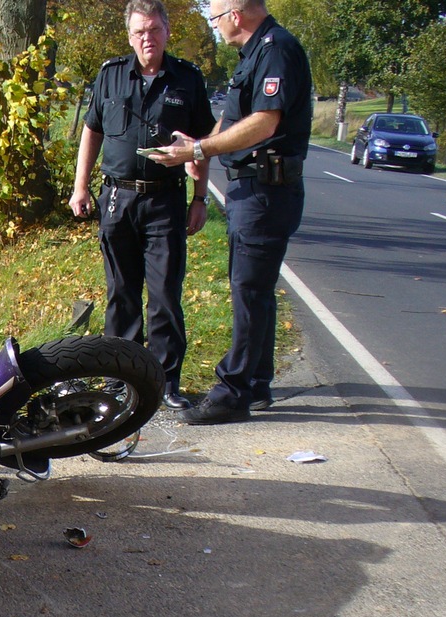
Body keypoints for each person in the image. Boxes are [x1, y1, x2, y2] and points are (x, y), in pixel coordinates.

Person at [153, 0, 311, 424]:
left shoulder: (276, 50)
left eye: (215, 17)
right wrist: (198, 141)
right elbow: (235, 119)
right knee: (255, 290)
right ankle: (257, 381)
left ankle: (232, 392)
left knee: (249, 291)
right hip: (253, 190)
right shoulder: (255, 54)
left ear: (234, 16)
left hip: (266, 190)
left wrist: (201, 149)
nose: (216, 26)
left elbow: (264, 123)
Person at [70, 0, 215, 411]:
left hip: (165, 200)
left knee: (166, 294)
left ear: (166, 31)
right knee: (121, 295)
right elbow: (92, 133)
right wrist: (80, 188)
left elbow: (201, 147)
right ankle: (123, 379)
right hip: (117, 199)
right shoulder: (111, 75)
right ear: (130, 36)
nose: (146, 39)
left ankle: (165, 383)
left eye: (153, 30)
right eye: (139, 32)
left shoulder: (187, 79)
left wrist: (200, 197)